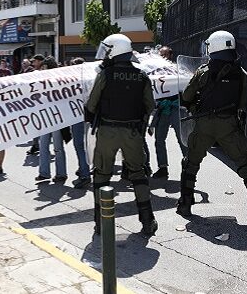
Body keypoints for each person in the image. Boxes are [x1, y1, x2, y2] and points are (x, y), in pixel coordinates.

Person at [178, 30, 247, 227]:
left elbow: (187, 96)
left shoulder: (203, 71)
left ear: (213, 47)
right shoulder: (241, 73)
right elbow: (243, 104)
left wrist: (194, 107)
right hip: (229, 127)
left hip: (204, 125)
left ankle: (185, 204)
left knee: (191, 163)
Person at [85, 34, 158, 236]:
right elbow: (150, 106)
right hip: (133, 133)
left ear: (115, 51)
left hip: (108, 131)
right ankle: (147, 221)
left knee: (102, 175)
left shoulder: (106, 75)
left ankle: (101, 223)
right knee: (138, 174)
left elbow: (91, 104)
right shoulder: (142, 76)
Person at [151, 46, 187, 178]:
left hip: (176, 108)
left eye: (165, 54)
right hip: (162, 109)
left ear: (171, 55)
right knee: (159, 139)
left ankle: (188, 165)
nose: (163, 57)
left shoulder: (178, 69)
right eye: (161, 54)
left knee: (181, 139)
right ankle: (162, 167)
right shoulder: (155, 70)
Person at [36, 57, 68, 183]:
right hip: (44, 117)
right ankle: (44, 173)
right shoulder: (40, 81)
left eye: (45, 67)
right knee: (43, 146)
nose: (43, 70)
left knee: (57, 147)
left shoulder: (59, 81)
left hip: (56, 118)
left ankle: (61, 173)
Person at [69, 58, 91, 189]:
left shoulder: (73, 81)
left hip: (78, 116)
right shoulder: (89, 79)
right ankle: (83, 168)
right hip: (88, 116)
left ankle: (85, 174)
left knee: (79, 145)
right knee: (86, 145)